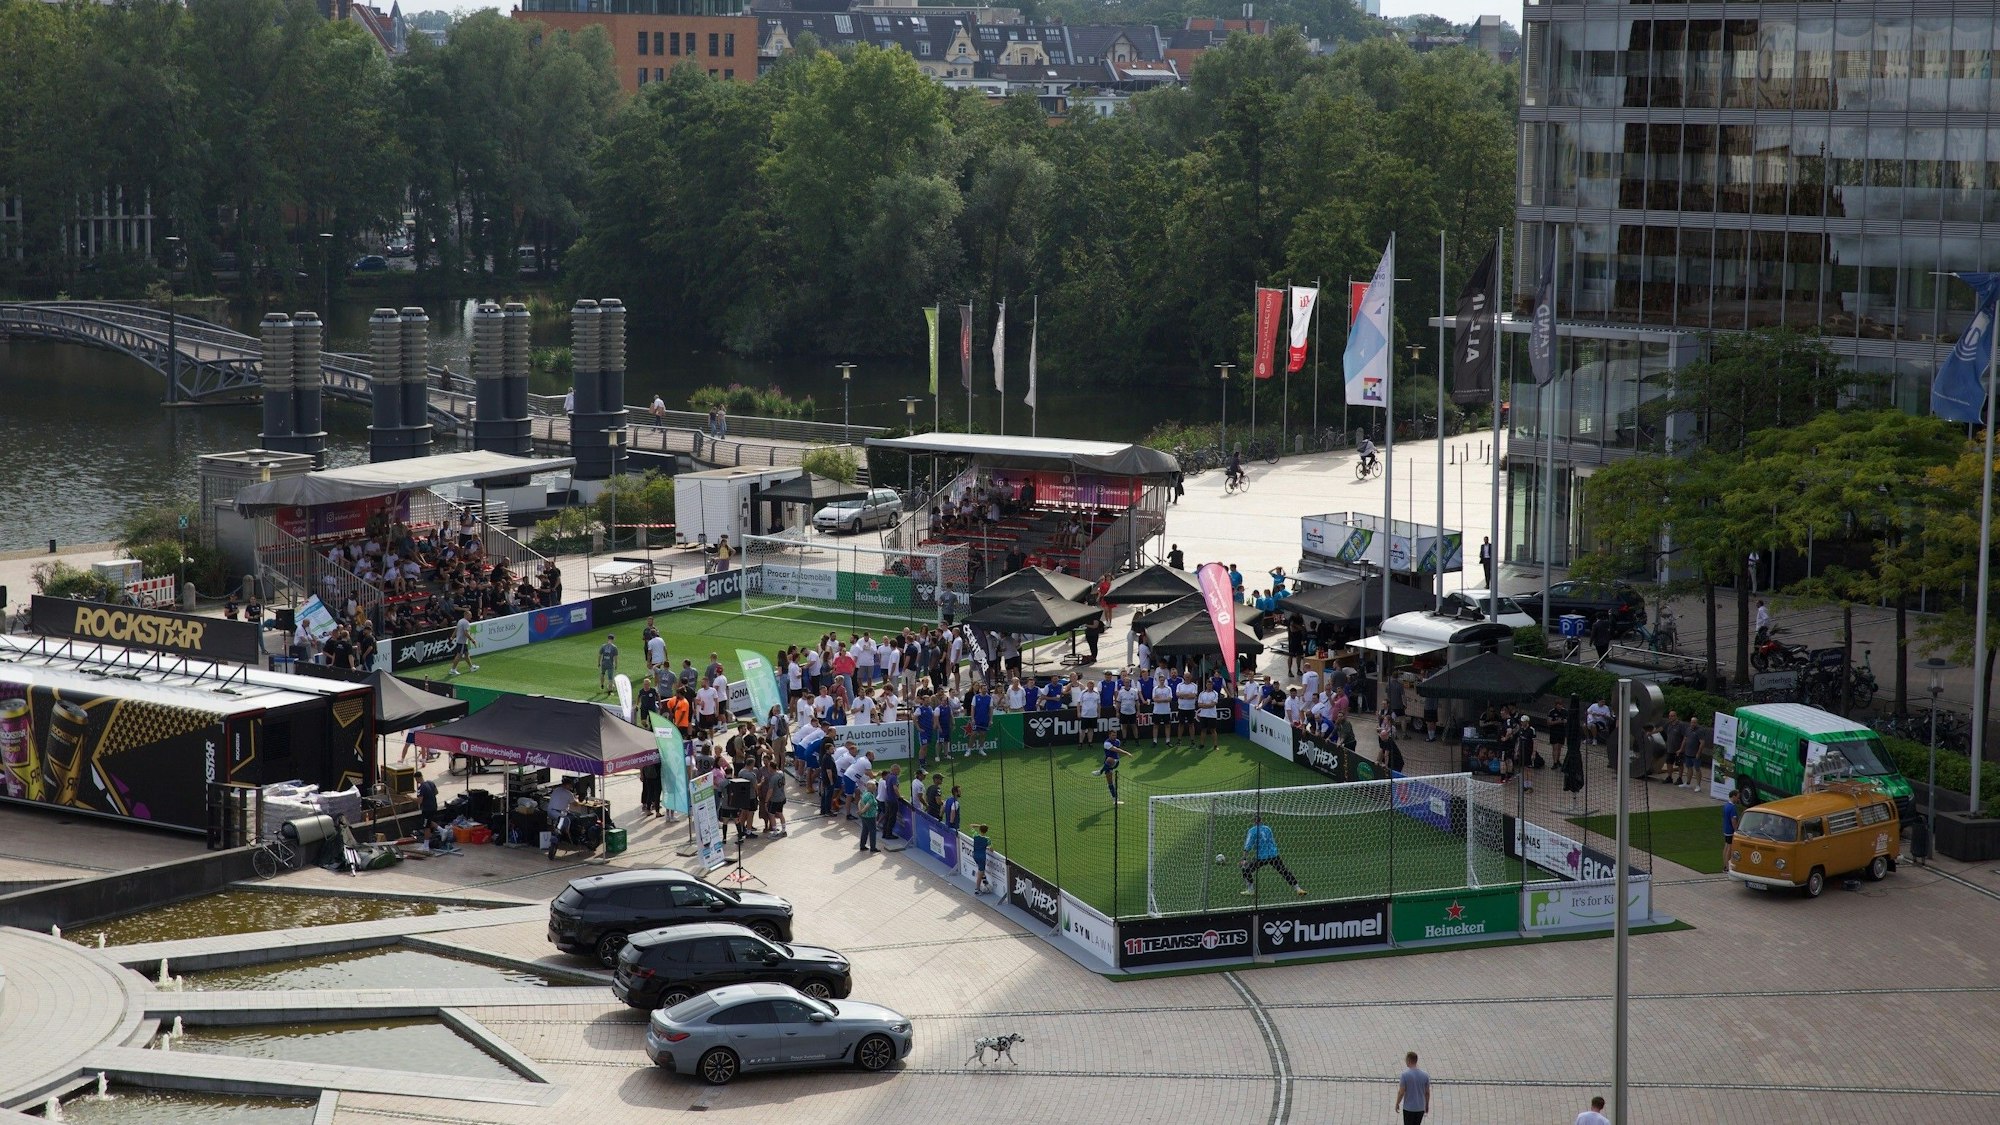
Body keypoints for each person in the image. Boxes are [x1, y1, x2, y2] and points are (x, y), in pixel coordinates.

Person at [1240, 813, 1305, 896]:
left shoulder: (1252, 831)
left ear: (1254, 821)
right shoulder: (1268, 829)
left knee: (1245, 869)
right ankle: (1298, 889)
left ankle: (1250, 890)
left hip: (1261, 857)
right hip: (1273, 855)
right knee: (1284, 871)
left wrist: (1244, 858)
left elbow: (1248, 845)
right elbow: (1271, 841)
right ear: (1261, 820)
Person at [1395, 1052, 1431, 1125]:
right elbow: (1427, 1092)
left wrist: (1397, 1103)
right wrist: (1426, 1105)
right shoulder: (1425, 1075)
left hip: (1409, 1108)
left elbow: (1401, 1092)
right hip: (1420, 1107)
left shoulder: (1404, 1075)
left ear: (1409, 1060)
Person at [1097, 733, 1133, 804]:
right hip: (1107, 764)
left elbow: (1116, 750)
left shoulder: (1117, 741)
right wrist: (1127, 753)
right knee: (1110, 782)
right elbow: (1115, 749)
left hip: (1115, 762)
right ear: (1109, 735)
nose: (1114, 737)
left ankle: (1100, 771)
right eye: (1113, 735)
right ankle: (1115, 799)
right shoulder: (1106, 743)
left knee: (1110, 759)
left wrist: (1126, 753)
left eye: (1115, 735)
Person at [447, 611, 477, 676]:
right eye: (470, 615)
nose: (471, 616)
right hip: (462, 642)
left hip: (460, 641)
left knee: (466, 654)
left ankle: (471, 667)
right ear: (466, 615)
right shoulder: (466, 623)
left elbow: (456, 630)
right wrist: (472, 640)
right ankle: (453, 670)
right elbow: (466, 633)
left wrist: (452, 638)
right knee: (459, 655)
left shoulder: (460, 621)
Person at [857, 775, 879, 852]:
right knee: (872, 831)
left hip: (864, 816)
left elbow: (860, 802)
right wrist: (861, 811)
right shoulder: (871, 796)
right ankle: (873, 847)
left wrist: (860, 811)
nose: (876, 787)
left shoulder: (865, 793)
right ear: (873, 788)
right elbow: (867, 806)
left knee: (865, 830)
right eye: (875, 786)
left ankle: (862, 845)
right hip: (870, 816)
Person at [1722, 787, 1741, 869]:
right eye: (1737, 797)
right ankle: (1727, 866)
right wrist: (1736, 830)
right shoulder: (1732, 808)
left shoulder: (1726, 805)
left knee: (1726, 847)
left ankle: (1725, 865)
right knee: (1729, 848)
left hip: (1726, 829)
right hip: (1730, 830)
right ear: (1733, 796)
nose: (1738, 799)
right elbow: (1733, 821)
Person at [970, 823, 991, 893]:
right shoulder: (987, 839)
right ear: (986, 831)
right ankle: (977, 889)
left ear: (979, 830)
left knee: (981, 869)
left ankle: (984, 879)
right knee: (980, 873)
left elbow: (971, 825)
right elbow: (991, 849)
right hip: (982, 857)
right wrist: (986, 847)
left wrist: (980, 826)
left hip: (975, 855)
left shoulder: (975, 835)